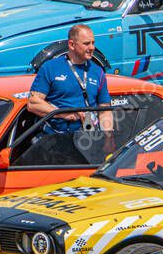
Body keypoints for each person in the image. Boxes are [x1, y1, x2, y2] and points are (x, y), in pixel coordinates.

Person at [28, 25, 115, 161]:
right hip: (56, 142)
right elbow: (33, 103)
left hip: (88, 142)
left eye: (93, 42)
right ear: (72, 44)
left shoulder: (98, 71)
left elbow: (104, 109)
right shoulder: (51, 68)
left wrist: (109, 138)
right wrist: (64, 113)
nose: (92, 47)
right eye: (86, 43)